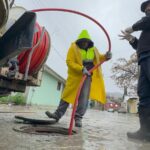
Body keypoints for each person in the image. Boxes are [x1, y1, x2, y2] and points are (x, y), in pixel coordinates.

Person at [46, 29, 112, 127]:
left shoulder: (94, 49)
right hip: (75, 75)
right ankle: (57, 115)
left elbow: (99, 58)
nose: (84, 44)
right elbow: (69, 61)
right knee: (67, 95)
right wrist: (81, 69)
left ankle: (78, 118)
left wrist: (106, 56)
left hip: (88, 75)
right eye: (83, 42)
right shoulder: (73, 48)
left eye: (86, 42)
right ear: (79, 41)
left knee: (84, 97)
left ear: (89, 42)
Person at [119, 0, 150, 140]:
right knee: (144, 95)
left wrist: (131, 28)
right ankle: (146, 132)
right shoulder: (146, 28)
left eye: (149, 6)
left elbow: (145, 22)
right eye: (145, 8)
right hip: (144, 59)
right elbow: (141, 46)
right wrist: (132, 39)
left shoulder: (146, 22)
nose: (147, 9)